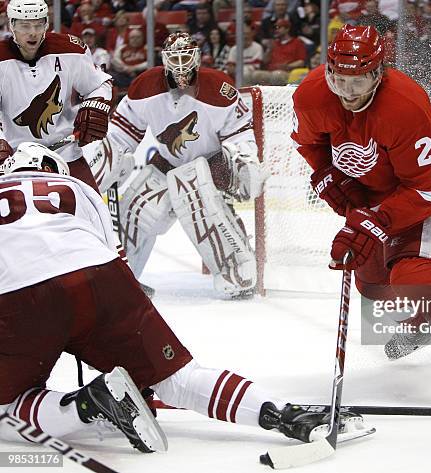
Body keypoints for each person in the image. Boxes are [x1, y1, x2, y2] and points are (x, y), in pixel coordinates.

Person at [0, 142, 365, 450]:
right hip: (102, 279)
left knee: (6, 408)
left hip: (19, 292)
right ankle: (284, 413)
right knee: (178, 378)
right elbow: (115, 261)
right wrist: (126, 350)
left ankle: (88, 404)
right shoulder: (78, 188)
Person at [290, 25, 431, 406]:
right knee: (373, 284)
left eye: (359, 81)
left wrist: (373, 221)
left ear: (378, 73)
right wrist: (325, 175)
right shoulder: (311, 95)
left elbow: (425, 190)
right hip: (372, 194)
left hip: (424, 191)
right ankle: (427, 320)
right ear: (328, 71)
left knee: (411, 273)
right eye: (340, 80)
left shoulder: (405, 105)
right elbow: (309, 144)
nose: (348, 93)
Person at [89, 32, 268, 298]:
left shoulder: (220, 89)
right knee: (136, 211)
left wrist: (240, 162)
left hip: (208, 169)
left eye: (186, 57)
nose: (181, 65)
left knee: (195, 196)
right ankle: (122, 279)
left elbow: (240, 135)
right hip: (165, 165)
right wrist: (108, 160)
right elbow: (121, 135)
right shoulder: (144, 86)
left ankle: (238, 274)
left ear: (197, 58)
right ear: (165, 60)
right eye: (175, 57)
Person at [0, 0, 112, 190]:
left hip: (65, 156)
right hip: (14, 162)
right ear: (12, 25)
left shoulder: (70, 50)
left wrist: (95, 105)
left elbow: (99, 84)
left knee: (94, 214)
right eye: (25, 25)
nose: (32, 32)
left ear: (47, 24)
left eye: (38, 24)